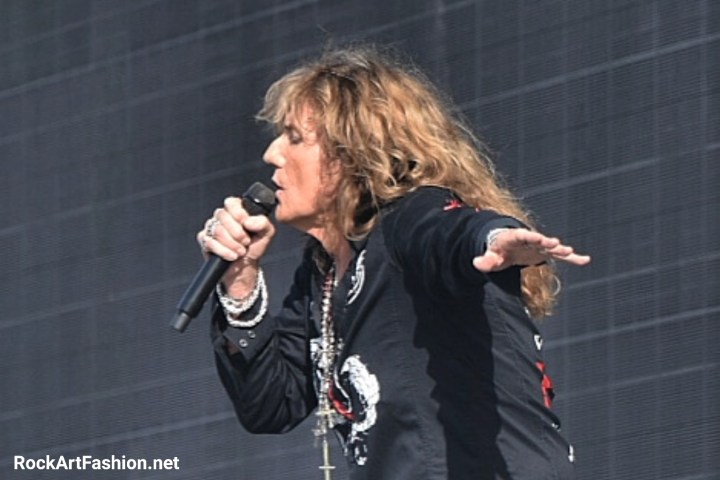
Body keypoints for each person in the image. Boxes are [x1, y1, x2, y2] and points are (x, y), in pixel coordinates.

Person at [198, 45, 590, 480]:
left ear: (352, 153)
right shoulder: (320, 276)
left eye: (294, 137)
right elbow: (270, 406)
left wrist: (493, 238)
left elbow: (450, 230)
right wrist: (239, 280)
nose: (272, 153)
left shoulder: (407, 221)